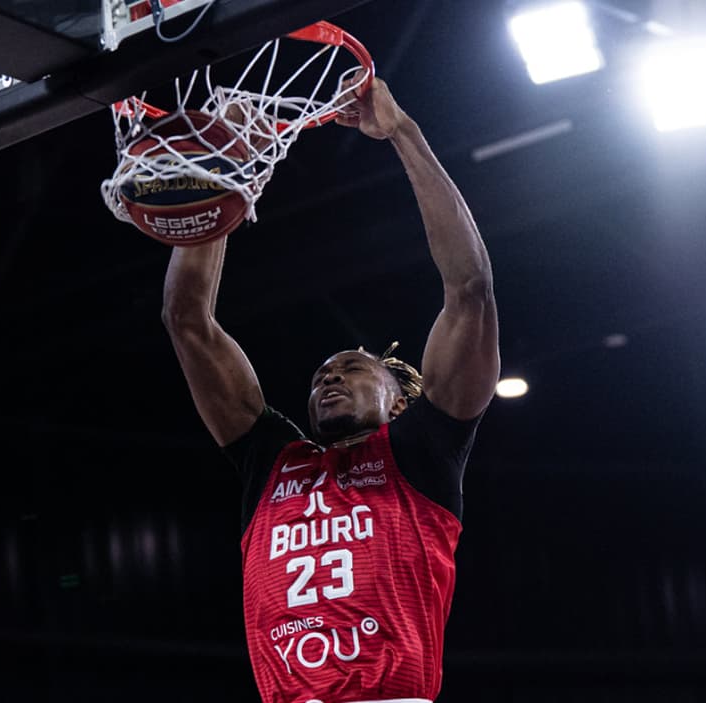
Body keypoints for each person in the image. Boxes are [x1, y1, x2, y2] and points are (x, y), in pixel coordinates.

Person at [161, 77, 499, 703]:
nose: (328, 377)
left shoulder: (422, 450)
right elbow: (187, 320)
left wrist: (403, 132)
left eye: (349, 367)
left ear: (398, 401)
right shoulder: (273, 461)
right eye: (320, 374)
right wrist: (227, 169)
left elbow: (469, 291)